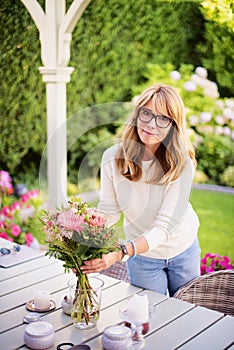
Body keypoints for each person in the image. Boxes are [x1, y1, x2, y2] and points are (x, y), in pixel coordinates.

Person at [80, 83, 201, 296]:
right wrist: (84, 237)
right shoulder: (112, 158)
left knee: (185, 312)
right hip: (143, 258)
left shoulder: (181, 164)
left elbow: (164, 228)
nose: (151, 124)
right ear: (137, 114)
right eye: (147, 113)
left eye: (163, 118)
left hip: (183, 250)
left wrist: (120, 252)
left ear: (174, 125)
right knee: (146, 315)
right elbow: (109, 211)